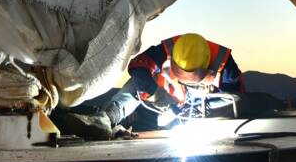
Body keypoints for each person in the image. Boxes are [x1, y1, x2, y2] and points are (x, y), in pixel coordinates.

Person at [58, 33, 244, 139]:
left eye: (189, 79)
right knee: (136, 85)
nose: (184, 81)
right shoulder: (169, 49)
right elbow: (138, 67)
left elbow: (237, 102)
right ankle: (105, 119)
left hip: (200, 112)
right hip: (167, 101)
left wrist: (198, 107)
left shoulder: (225, 66)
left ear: (206, 67)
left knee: (224, 105)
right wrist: (155, 93)